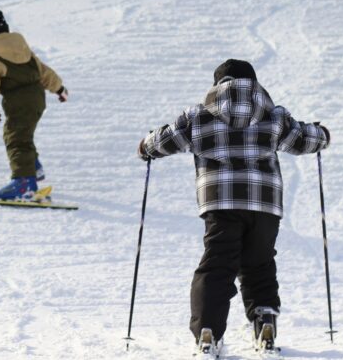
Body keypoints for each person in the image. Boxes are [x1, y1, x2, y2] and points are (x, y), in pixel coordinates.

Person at [137, 59, 330, 356]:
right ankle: (264, 321)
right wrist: (322, 134)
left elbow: (161, 141)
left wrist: (145, 146)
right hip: (264, 205)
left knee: (217, 266)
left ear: (217, 86)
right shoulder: (273, 116)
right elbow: (305, 139)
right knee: (259, 264)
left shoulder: (198, 117)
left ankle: (208, 331)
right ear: (254, 84)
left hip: (220, 203)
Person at [0, 0, 67, 201]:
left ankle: (24, 181)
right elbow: (41, 69)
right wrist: (58, 87)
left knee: (16, 139)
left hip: (19, 102)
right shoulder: (21, 46)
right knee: (22, 134)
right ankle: (34, 167)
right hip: (37, 98)